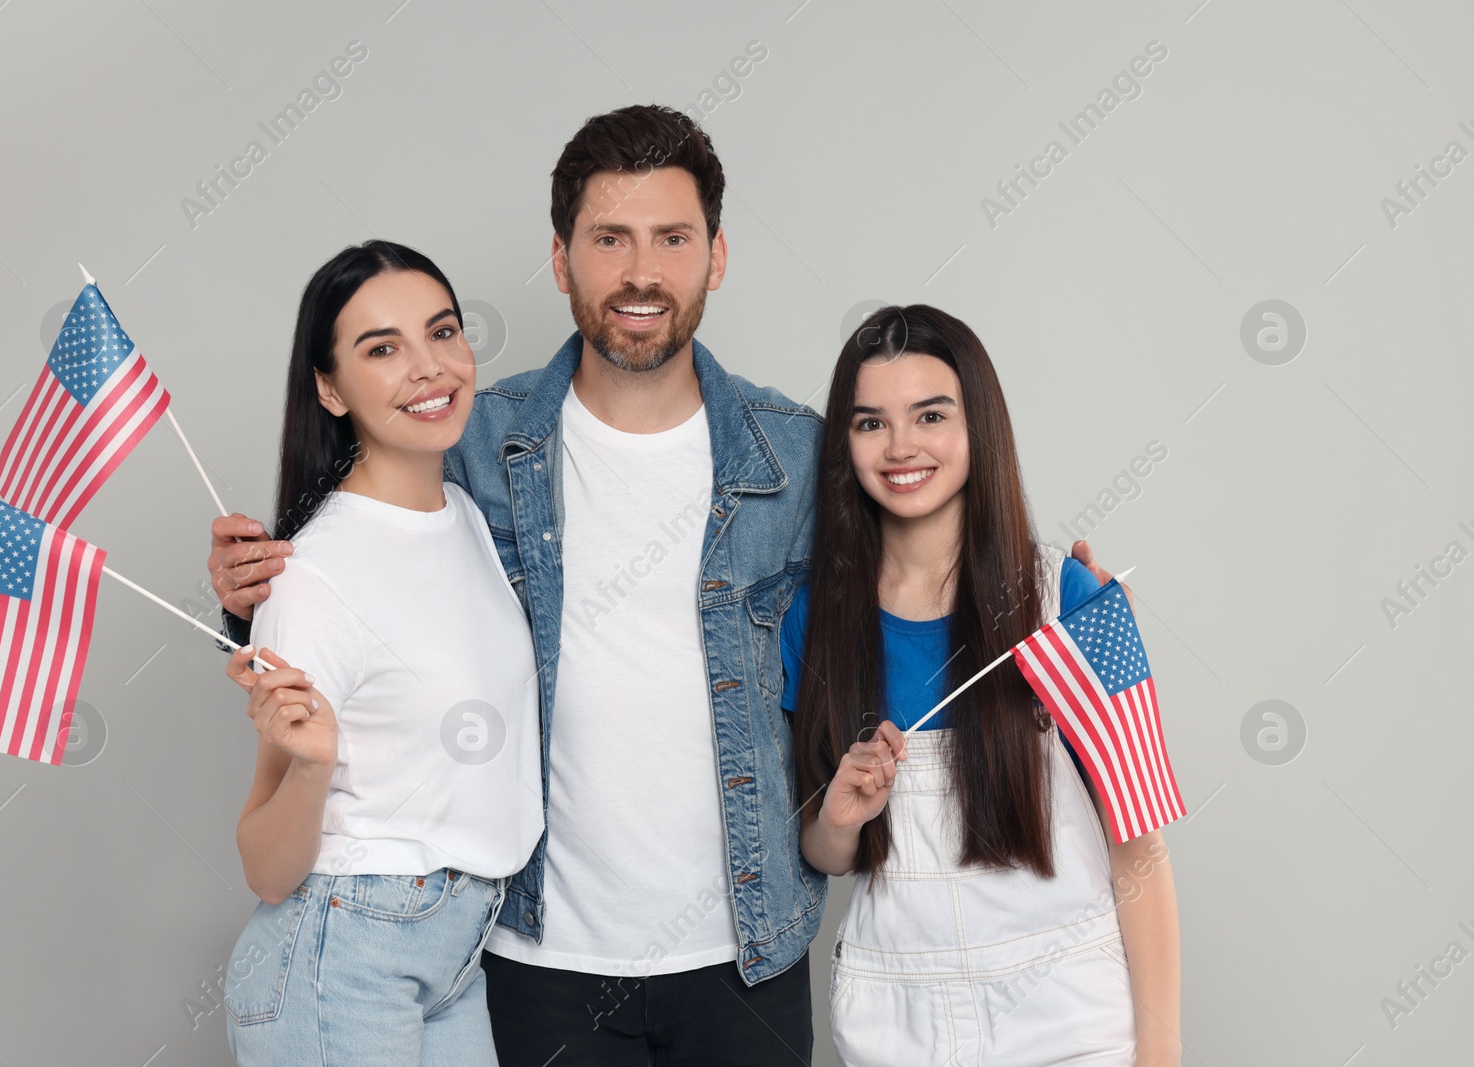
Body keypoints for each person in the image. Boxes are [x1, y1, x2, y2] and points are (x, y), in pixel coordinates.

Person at [207, 104, 1130, 1065]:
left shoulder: (796, 451)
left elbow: (919, 557)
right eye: (610, 238)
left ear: (715, 256)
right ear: (562, 262)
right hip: (532, 957)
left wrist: (1054, 595)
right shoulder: (474, 436)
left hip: (745, 953)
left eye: (672, 238)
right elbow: (364, 560)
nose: (641, 271)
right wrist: (245, 596)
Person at [786, 304, 1182, 1066]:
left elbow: (1142, 849)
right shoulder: (814, 620)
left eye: (929, 414)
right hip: (895, 1024)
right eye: (870, 422)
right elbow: (826, 852)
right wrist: (837, 818)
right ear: (844, 443)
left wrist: (1159, 1056)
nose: (902, 446)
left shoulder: (1073, 600)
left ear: (979, 424)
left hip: (1069, 1018)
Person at [218, 240, 543, 1067]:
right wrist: (314, 765)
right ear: (329, 388)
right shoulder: (312, 572)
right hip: (344, 952)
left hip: (455, 949)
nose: (429, 368)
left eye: (443, 332)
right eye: (383, 349)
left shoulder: (467, 517)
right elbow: (265, 863)